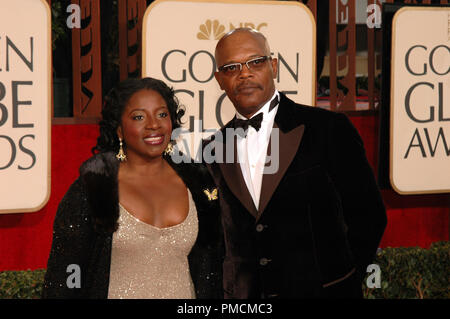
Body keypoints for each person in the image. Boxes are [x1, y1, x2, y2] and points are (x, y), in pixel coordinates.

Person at [203, 28, 387, 298]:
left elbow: (369, 215)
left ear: (273, 66)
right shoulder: (213, 148)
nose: (245, 73)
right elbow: (218, 239)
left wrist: (342, 280)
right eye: (232, 67)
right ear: (220, 79)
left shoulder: (328, 129)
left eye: (256, 62)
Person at [42, 77, 223, 299]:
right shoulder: (93, 187)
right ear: (119, 129)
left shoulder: (199, 182)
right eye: (139, 117)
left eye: (162, 114)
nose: (153, 124)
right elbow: (66, 276)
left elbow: (213, 267)